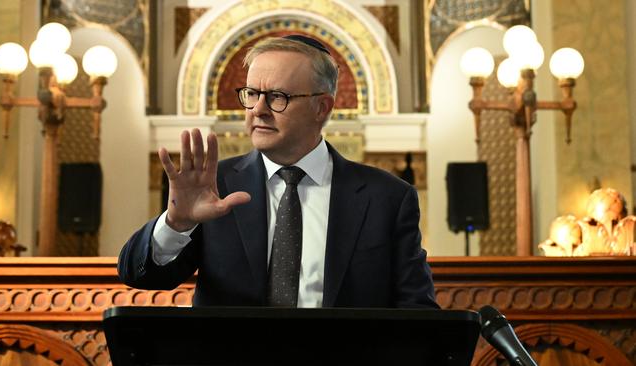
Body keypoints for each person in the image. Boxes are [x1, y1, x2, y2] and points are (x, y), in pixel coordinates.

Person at [118, 35, 438, 308]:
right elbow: (140, 275)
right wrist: (177, 223)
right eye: (252, 94)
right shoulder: (215, 186)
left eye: (277, 97)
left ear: (321, 108)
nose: (258, 109)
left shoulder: (387, 198)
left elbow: (418, 312)